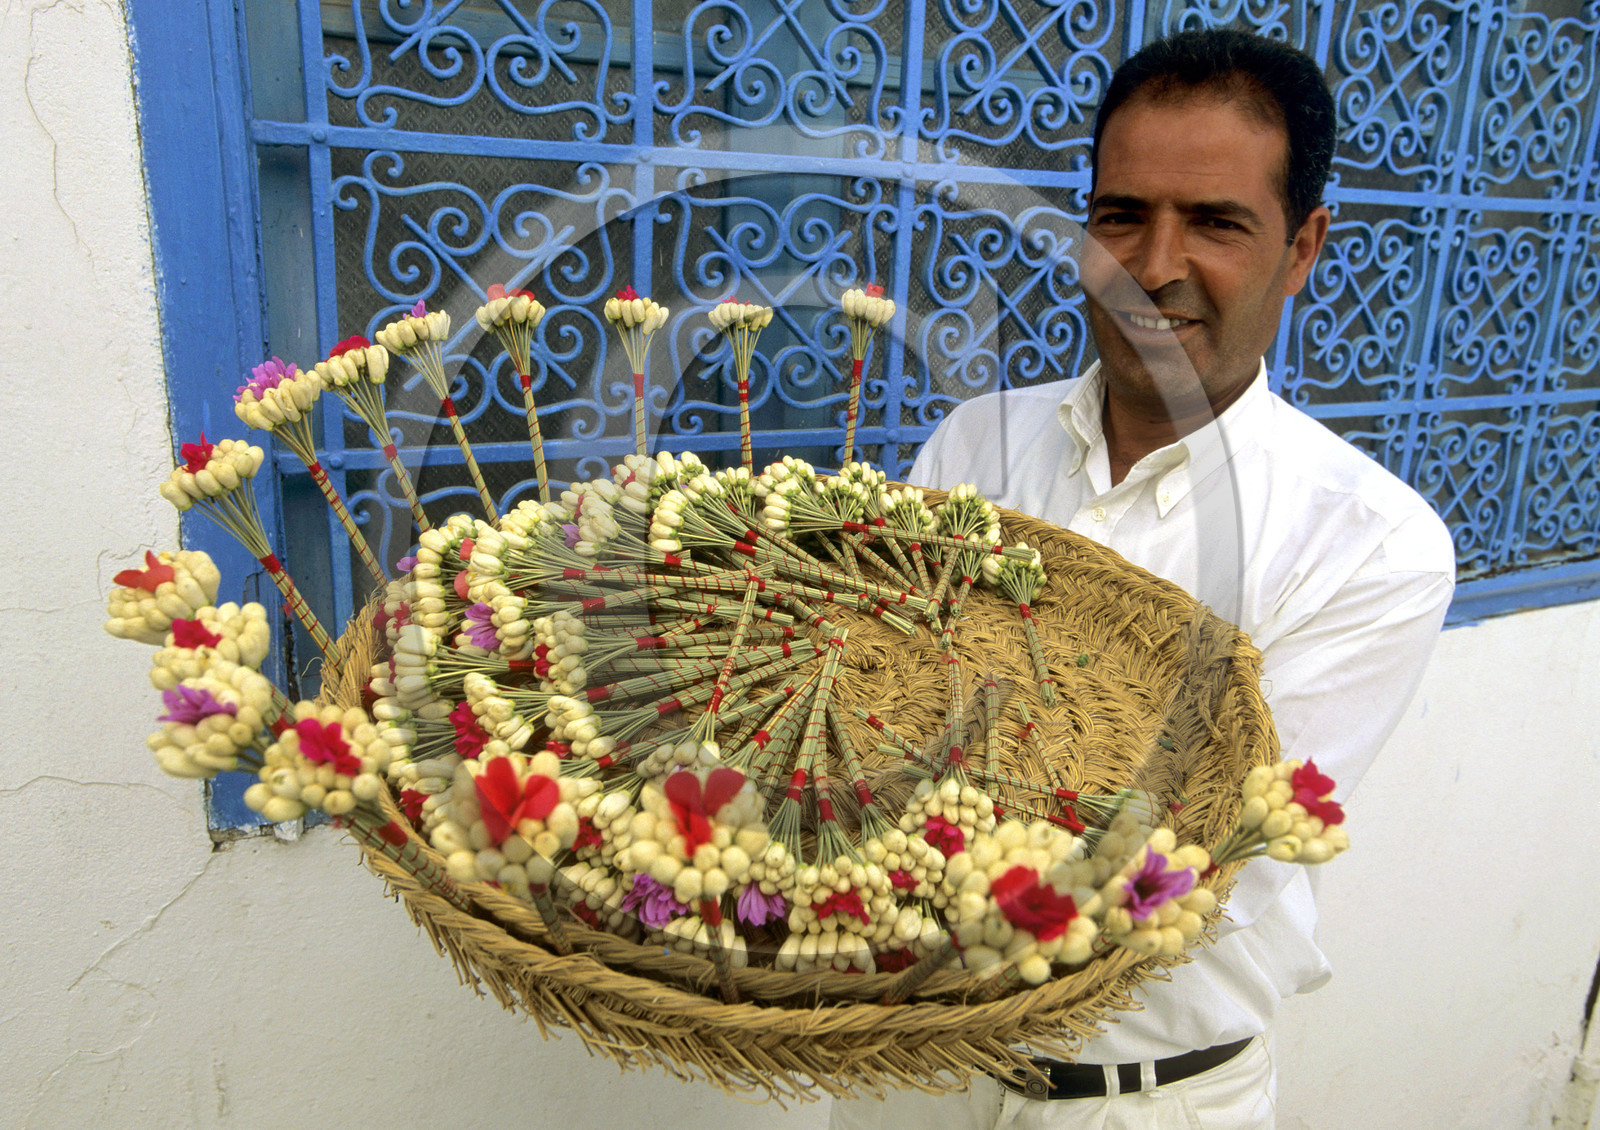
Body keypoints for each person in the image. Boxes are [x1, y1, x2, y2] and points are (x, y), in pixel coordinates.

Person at [830, 28, 1455, 1130]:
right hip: (913, 1075)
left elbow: (1199, 863)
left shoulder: (1367, 543)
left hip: (1139, 1104)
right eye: (1121, 214)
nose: (1154, 263)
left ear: (1302, 245)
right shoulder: (975, 445)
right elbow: (863, 715)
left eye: (1215, 221)